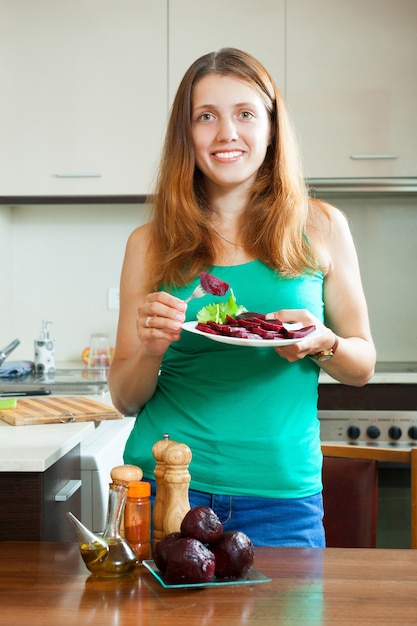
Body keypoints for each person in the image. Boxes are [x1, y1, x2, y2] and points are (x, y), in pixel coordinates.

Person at [108, 48, 376, 548]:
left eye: (245, 114)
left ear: (272, 128)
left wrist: (323, 342)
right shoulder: (148, 243)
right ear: (185, 134)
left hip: (281, 499)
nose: (226, 133)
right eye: (205, 116)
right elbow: (125, 397)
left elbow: (362, 364)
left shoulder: (321, 227)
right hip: (168, 490)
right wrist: (150, 348)